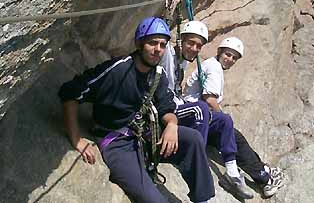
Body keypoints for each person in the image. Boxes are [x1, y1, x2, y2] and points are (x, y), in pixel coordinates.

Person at [58, 17, 215, 203]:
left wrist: (172, 124)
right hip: (117, 143)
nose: (158, 50)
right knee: (155, 201)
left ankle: (202, 199)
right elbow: (70, 92)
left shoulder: (157, 74)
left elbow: (166, 107)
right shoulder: (118, 70)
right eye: (152, 43)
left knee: (194, 139)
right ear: (140, 43)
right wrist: (76, 139)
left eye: (163, 45)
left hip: (145, 134)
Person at [162, 22, 283, 197]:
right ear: (219, 52)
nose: (230, 59)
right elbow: (209, 100)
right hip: (193, 114)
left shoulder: (190, 63)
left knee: (229, 127)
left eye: (234, 58)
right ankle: (262, 176)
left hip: (192, 112)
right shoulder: (213, 67)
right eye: (228, 54)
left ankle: (244, 172)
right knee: (229, 130)